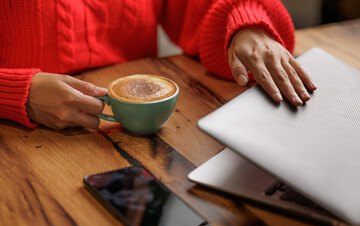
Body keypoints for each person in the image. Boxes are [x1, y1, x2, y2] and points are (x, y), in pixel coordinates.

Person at [0, 0, 316, 130]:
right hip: (17, 138)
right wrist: (17, 93)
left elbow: (199, 9)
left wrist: (245, 24)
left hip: (132, 139)